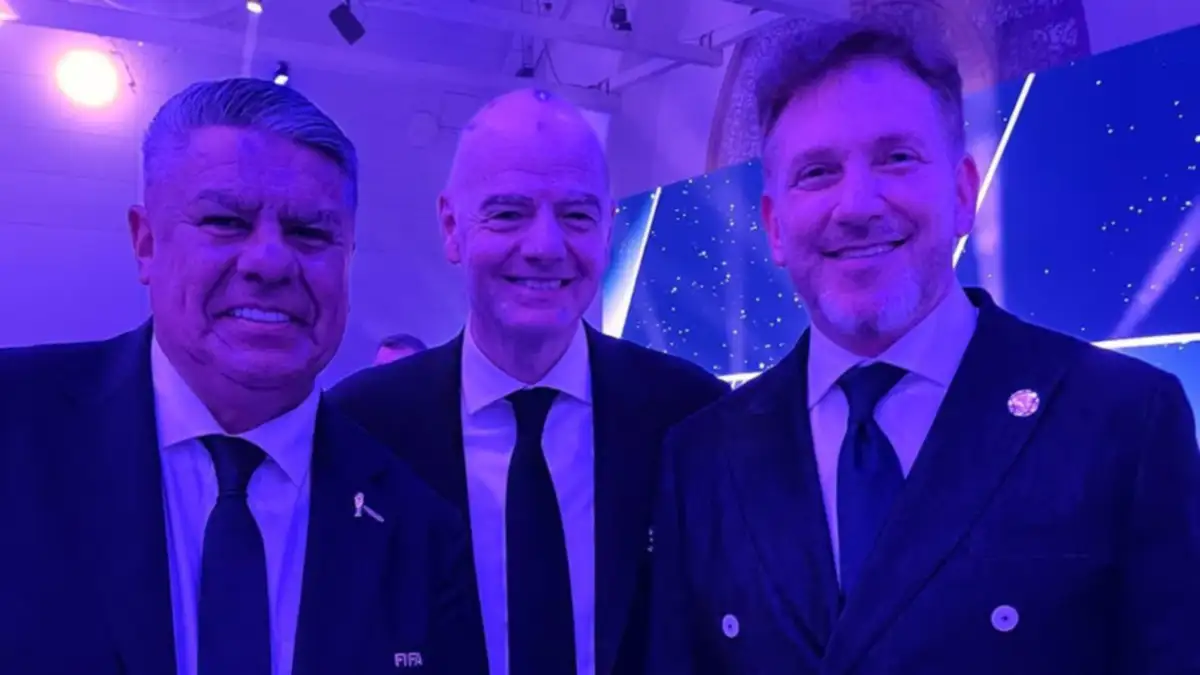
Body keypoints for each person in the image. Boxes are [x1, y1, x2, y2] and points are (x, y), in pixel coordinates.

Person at [645, 20, 1200, 675]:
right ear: (774, 227)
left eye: (896, 158)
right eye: (817, 172)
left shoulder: (1122, 419)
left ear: (963, 194)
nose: (857, 205)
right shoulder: (704, 456)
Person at [0, 78, 485, 675]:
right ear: (146, 243)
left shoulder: (421, 529)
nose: (270, 261)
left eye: (311, 233)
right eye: (226, 221)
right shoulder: (15, 431)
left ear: (348, 258)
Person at [330, 88, 729, 675]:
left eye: (576, 215)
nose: (545, 246)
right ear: (452, 227)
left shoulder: (690, 418)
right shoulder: (360, 432)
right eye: (509, 213)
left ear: (607, 229)